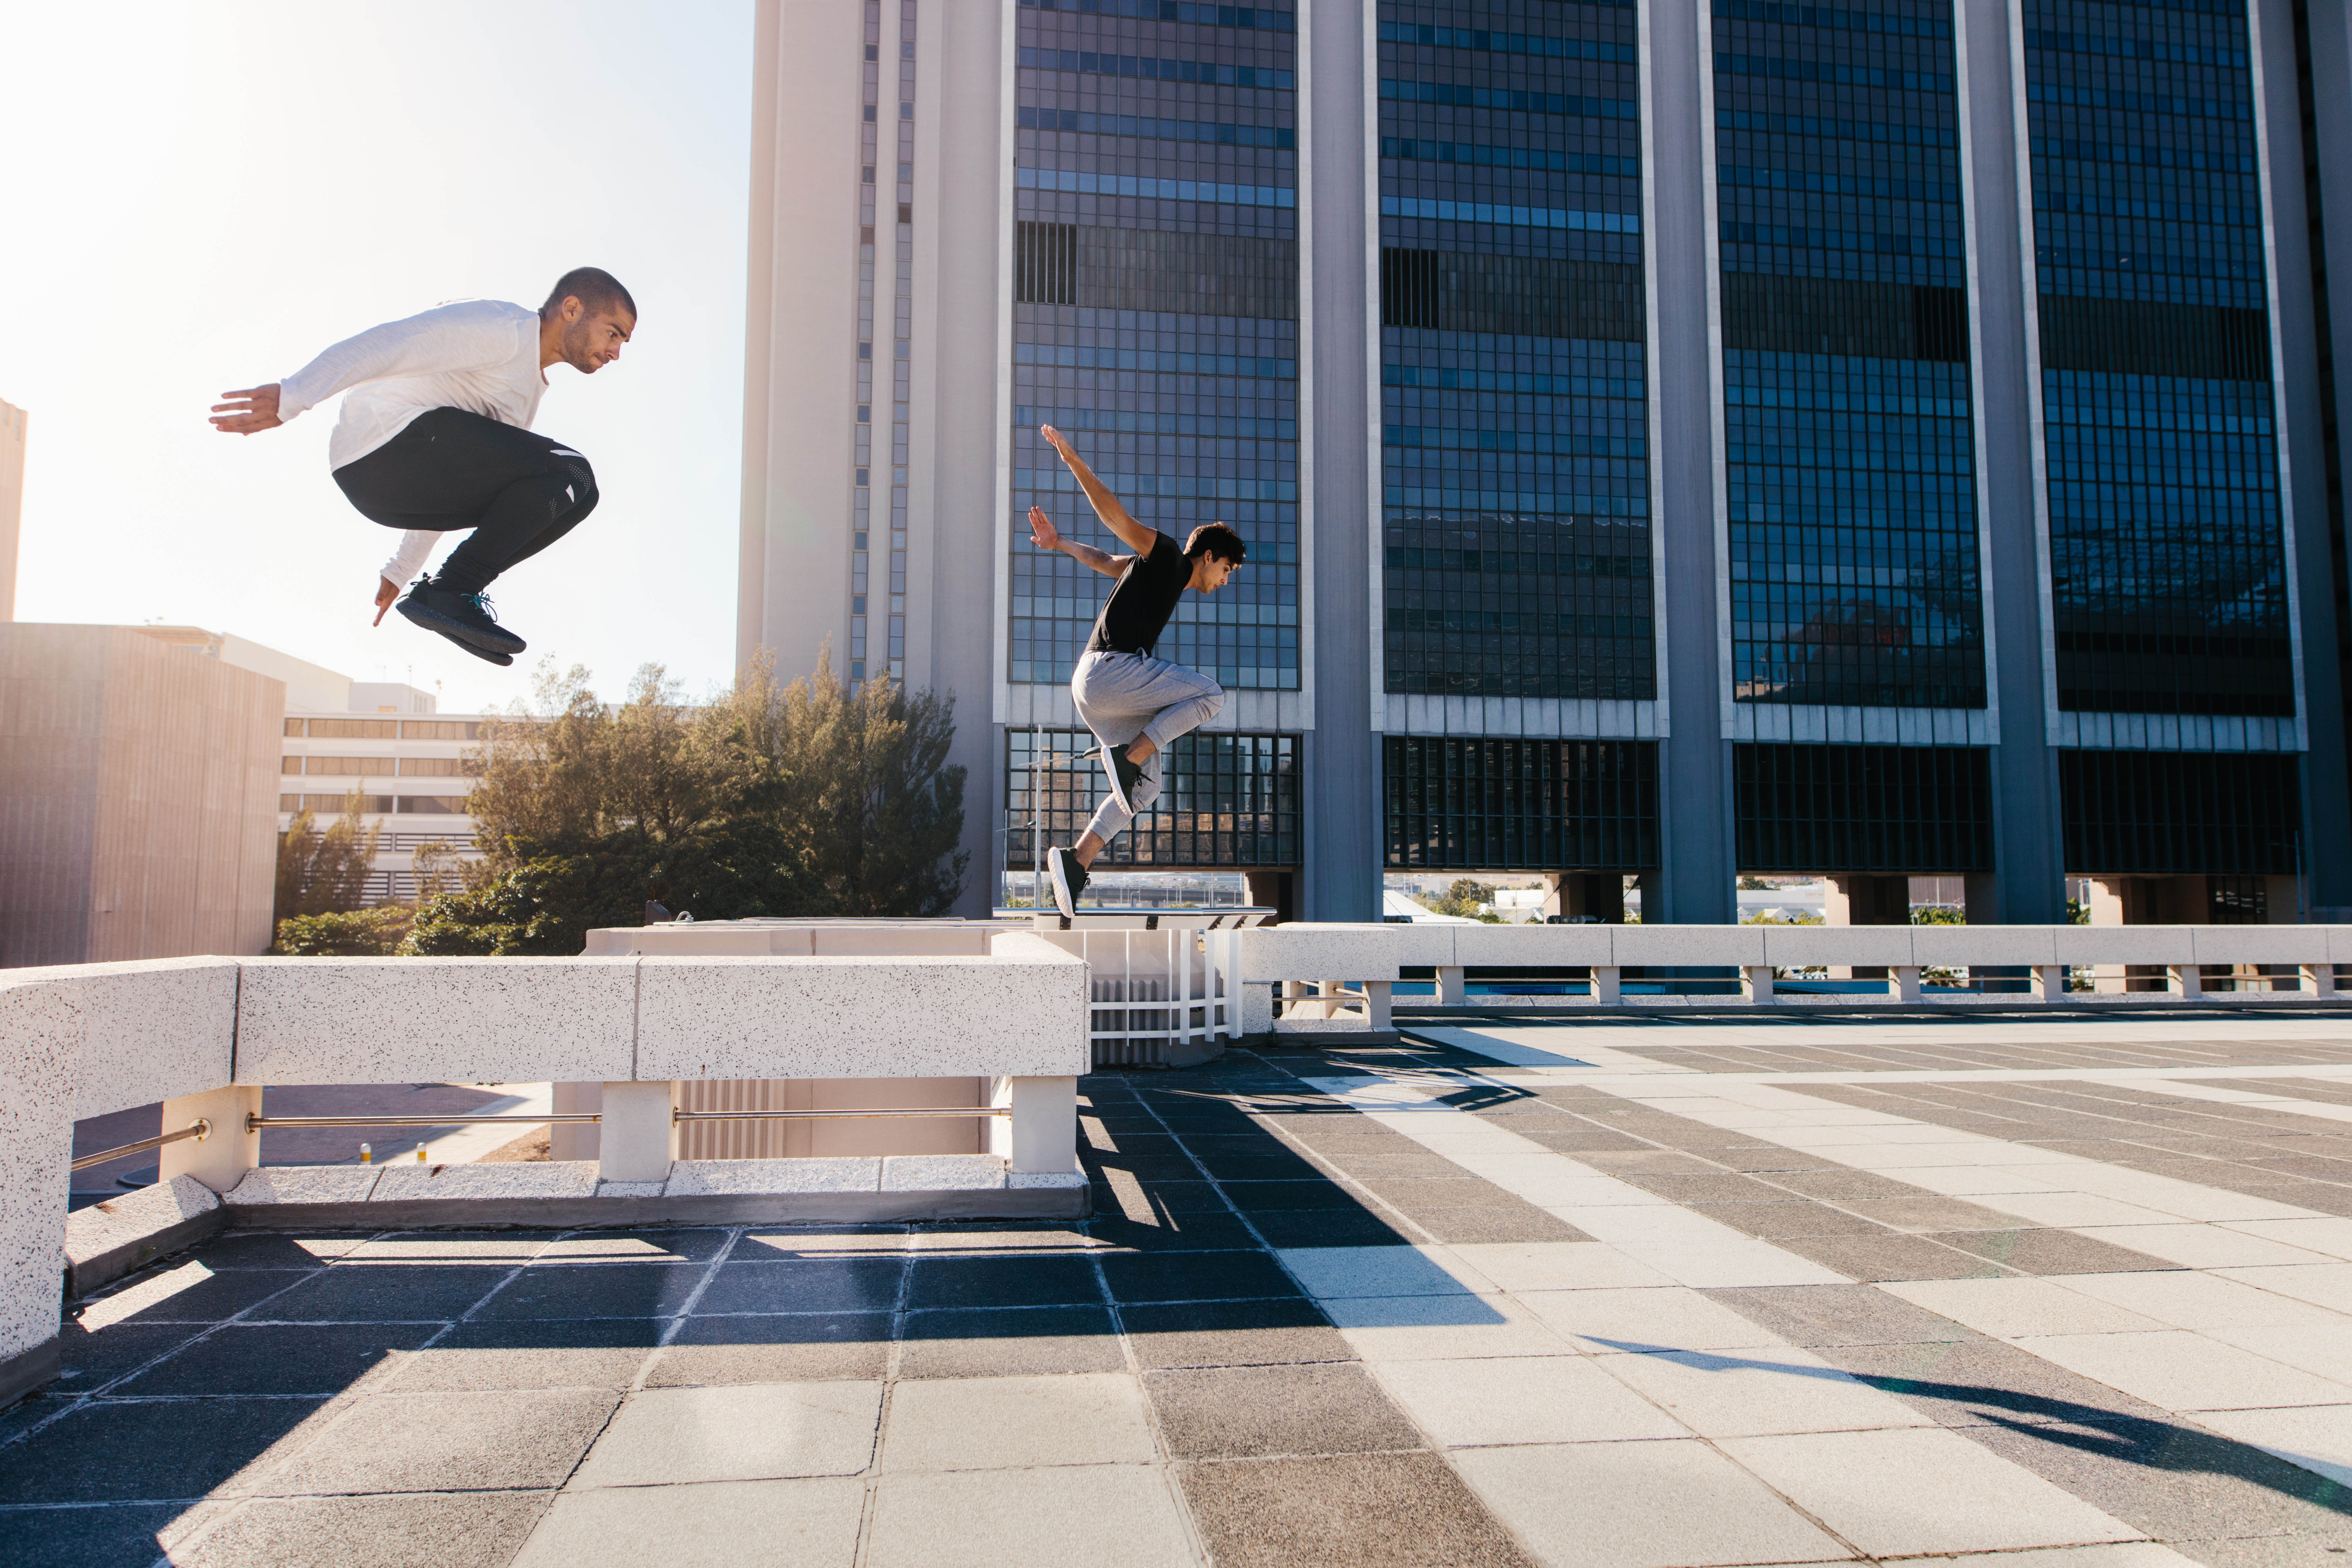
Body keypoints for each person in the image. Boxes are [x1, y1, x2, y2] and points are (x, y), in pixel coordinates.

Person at [208, 267, 636, 665]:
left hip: (393, 484)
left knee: (578, 492)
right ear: (573, 309)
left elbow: (459, 477)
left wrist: (402, 569)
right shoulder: (504, 330)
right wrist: (295, 395)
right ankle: (452, 589)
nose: (616, 352)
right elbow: (392, 343)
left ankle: (450, 593)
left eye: (623, 343)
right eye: (612, 333)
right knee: (571, 471)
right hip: (380, 443)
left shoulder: (524, 397)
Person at [1028, 424, 1246, 918]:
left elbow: (1107, 560)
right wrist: (1072, 460)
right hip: (1111, 672)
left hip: (1096, 689)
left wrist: (1060, 542)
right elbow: (1116, 519)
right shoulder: (1168, 555)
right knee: (1211, 695)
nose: (1223, 582)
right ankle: (1134, 754)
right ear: (1209, 556)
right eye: (1227, 571)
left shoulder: (1155, 575)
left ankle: (1075, 860)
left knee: (1147, 788)